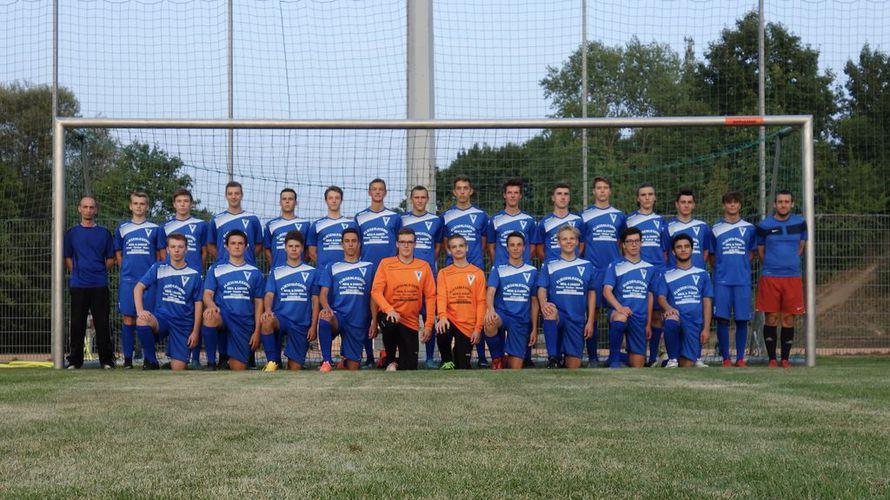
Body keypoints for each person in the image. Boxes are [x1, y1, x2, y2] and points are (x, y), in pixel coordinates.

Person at [133, 234, 203, 371]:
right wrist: (140, 311)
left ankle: (172, 363)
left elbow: (198, 303)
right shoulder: (159, 268)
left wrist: (195, 331)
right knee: (142, 320)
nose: (176, 250)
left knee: (179, 368)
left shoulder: (194, 273)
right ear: (167, 249)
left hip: (183, 323)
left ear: (186, 249)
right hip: (162, 319)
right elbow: (138, 287)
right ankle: (151, 361)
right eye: (173, 246)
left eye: (180, 247)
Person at [440, 176, 489, 367]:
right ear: (454, 192)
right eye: (458, 188)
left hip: (473, 269)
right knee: (452, 306)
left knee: (477, 309)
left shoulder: (481, 215)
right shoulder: (446, 216)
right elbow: (445, 243)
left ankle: (482, 357)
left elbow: (483, 243)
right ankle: (445, 359)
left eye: (465, 188)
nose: (462, 191)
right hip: (453, 271)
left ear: (471, 191)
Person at [371, 228, 436, 371]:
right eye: (402, 242)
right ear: (397, 244)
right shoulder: (386, 264)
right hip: (390, 315)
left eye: (410, 242)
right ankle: (390, 359)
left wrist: (429, 325)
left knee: (410, 366)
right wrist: (389, 310)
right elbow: (376, 291)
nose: (406, 246)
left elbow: (431, 296)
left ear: (415, 244)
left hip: (410, 321)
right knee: (390, 322)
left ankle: (388, 360)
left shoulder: (423, 266)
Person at [157, 188, 209, 368]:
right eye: (179, 201)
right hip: (173, 276)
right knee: (174, 313)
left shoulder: (201, 224)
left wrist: (198, 269)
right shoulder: (165, 226)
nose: (182, 204)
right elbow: (162, 253)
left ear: (191, 204)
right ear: (174, 204)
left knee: (195, 314)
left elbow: (204, 251)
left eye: (186, 201)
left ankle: (195, 359)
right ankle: (174, 356)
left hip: (194, 275)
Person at [756, 190, 807, 368]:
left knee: (788, 318)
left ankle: (785, 359)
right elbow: (761, 251)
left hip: (792, 277)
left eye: (786, 202)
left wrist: (788, 262)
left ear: (792, 204)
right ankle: (772, 359)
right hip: (770, 276)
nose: (783, 205)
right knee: (771, 318)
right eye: (780, 202)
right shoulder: (764, 225)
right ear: (774, 204)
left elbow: (801, 247)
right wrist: (773, 264)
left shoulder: (800, 223)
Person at [64, 196, 115, 369]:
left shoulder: (104, 233)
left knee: (102, 323)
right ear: (79, 209)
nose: (88, 210)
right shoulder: (72, 233)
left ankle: (106, 360)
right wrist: (78, 272)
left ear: (96, 210)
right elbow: (67, 257)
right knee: (77, 323)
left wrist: (98, 271)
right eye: (85, 207)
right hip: (79, 284)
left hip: (99, 284)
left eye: (91, 207)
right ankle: (74, 361)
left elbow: (110, 259)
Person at [201, 230, 264, 371]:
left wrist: (257, 331)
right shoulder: (216, 269)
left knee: (239, 368)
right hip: (223, 315)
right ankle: (211, 363)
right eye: (233, 243)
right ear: (226, 246)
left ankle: (227, 358)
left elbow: (259, 303)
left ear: (246, 247)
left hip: (243, 321)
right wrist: (211, 305)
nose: (237, 246)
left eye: (240, 243)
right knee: (210, 316)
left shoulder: (255, 272)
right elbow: (207, 294)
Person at [536, 225, 597, 369]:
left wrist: (590, 320)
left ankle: (563, 356)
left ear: (577, 241)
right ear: (559, 242)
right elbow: (542, 289)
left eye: (572, 238)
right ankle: (553, 358)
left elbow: (592, 293)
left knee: (573, 365)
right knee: (550, 311)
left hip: (576, 319)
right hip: (559, 315)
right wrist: (544, 304)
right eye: (564, 239)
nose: (568, 242)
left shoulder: (587, 265)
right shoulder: (549, 264)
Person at [580, 176, 625, 366]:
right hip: (594, 270)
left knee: (617, 310)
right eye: (599, 188)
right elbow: (581, 243)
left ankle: (615, 356)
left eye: (605, 187)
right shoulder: (584, 216)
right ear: (593, 191)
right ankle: (593, 357)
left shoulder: (619, 215)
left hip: (613, 270)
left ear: (610, 191)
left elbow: (621, 242)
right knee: (593, 312)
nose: (602, 191)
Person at [114, 192, 162, 369]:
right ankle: (128, 359)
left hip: (147, 282)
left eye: (142, 203)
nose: (139, 207)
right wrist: (124, 269)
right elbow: (118, 252)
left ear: (147, 206)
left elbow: (160, 255)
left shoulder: (155, 228)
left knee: (146, 317)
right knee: (128, 318)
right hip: (128, 280)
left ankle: (149, 358)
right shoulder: (122, 228)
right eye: (136, 203)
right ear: (130, 206)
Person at [356, 178, 401, 365]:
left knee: (389, 312)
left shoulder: (394, 217)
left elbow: (400, 242)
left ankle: (387, 354)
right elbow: (356, 243)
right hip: (367, 270)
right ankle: (369, 357)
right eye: (374, 189)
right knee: (367, 314)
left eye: (380, 189)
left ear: (385, 192)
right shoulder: (360, 217)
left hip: (389, 271)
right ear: (369, 192)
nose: (377, 192)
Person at [259, 230, 319, 371]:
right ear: (285, 248)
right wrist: (268, 310)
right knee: (267, 321)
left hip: (301, 323)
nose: (293, 249)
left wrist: (313, 326)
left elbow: (315, 301)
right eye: (290, 246)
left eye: (297, 246)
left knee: (295, 368)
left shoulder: (312, 271)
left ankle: (291, 361)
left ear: (302, 249)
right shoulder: (276, 271)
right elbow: (269, 295)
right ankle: (272, 362)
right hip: (281, 319)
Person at [317, 228, 375, 371]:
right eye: (347, 241)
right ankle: (327, 361)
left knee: (353, 367)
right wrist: (327, 308)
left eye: (354, 241)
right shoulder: (332, 267)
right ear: (342, 244)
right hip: (338, 316)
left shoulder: (369, 267)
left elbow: (374, 296)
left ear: (359, 244)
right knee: (325, 317)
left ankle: (345, 361)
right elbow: (323, 294)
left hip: (357, 322)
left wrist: (374, 320)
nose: (350, 244)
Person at [710, 191, 756, 367]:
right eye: (729, 202)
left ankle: (741, 358)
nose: (732, 205)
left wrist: (741, 267)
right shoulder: (715, 228)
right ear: (724, 205)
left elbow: (751, 253)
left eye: (735, 202)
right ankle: (726, 358)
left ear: (740, 205)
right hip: (722, 282)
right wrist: (722, 269)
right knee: (722, 319)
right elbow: (712, 256)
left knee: (742, 319)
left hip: (742, 281)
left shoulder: (749, 228)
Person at [625, 183, 669, 367]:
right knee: (636, 313)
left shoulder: (661, 221)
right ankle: (634, 352)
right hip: (636, 271)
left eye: (650, 194)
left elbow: (665, 250)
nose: (647, 198)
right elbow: (624, 245)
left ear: (655, 197)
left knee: (657, 315)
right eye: (643, 195)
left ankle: (653, 357)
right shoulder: (629, 220)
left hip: (657, 271)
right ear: (638, 198)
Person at [399, 185, 443, 368]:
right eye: (416, 197)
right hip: (406, 275)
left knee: (428, 315)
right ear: (411, 199)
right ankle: (402, 356)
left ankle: (430, 358)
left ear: (427, 199)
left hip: (427, 274)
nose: (419, 200)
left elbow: (438, 246)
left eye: (423, 197)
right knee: (405, 314)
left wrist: (428, 262)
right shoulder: (402, 219)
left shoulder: (436, 220)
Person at [602, 228, 657, 368]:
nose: (634, 244)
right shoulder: (615, 265)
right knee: (621, 317)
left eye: (637, 241)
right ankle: (614, 361)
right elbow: (606, 291)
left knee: (637, 364)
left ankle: (614, 356)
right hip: (620, 312)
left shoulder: (650, 268)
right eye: (630, 241)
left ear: (641, 243)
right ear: (623, 245)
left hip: (639, 317)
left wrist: (648, 323)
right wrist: (620, 308)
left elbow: (650, 296)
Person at [656, 234, 713, 368]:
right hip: (677, 320)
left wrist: (706, 328)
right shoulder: (666, 274)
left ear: (692, 249)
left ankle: (664, 361)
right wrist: (669, 309)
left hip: (694, 323)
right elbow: (661, 297)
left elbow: (707, 302)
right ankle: (672, 360)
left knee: (687, 364)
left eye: (686, 246)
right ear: (673, 251)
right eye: (679, 247)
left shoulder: (703, 274)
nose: (683, 249)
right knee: (671, 319)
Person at [484, 232, 539, 370]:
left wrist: (534, 328)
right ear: (507, 248)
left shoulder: (532, 271)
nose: (515, 248)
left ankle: (507, 358)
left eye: (519, 245)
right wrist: (490, 310)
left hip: (520, 320)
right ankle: (497, 358)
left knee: (515, 368)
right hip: (503, 315)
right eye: (512, 245)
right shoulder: (498, 268)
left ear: (524, 248)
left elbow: (534, 301)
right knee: (490, 322)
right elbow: (490, 292)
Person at [436, 235, 487, 370]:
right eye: (454, 247)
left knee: (462, 367)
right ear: (449, 250)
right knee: (442, 329)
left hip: (467, 325)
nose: (458, 249)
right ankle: (447, 361)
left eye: (461, 246)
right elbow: (441, 297)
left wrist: (478, 328)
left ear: (466, 248)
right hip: (450, 319)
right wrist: (442, 317)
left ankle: (458, 355)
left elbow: (481, 302)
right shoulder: (444, 273)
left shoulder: (478, 273)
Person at [208, 181, 263, 265]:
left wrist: (249, 257)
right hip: (224, 267)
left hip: (247, 266)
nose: (233, 197)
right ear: (226, 196)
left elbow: (259, 244)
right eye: (230, 194)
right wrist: (222, 258)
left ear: (242, 195)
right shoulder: (217, 219)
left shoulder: (252, 219)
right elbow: (210, 245)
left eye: (237, 193)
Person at [487, 178, 538, 266]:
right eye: (509, 192)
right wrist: (498, 264)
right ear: (504, 195)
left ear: (520, 196)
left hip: (522, 268)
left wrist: (521, 264)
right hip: (502, 268)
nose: (513, 196)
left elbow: (533, 247)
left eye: (516, 193)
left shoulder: (529, 220)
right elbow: (491, 247)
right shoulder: (495, 220)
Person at [307, 185, 359, 269]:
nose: (334, 201)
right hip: (323, 272)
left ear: (341, 200)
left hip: (345, 270)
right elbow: (312, 252)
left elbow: (357, 248)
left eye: (337, 198)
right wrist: (323, 267)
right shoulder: (316, 225)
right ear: (326, 200)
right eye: (330, 198)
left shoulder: (351, 224)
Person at [264, 188, 311, 269]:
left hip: (299, 270)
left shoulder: (305, 224)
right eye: (284, 199)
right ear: (280, 202)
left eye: (290, 199)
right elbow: (266, 249)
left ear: (296, 202)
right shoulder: (271, 225)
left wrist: (301, 264)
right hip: (278, 270)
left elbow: (309, 249)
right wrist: (274, 266)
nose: (287, 201)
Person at [536, 183, 582, 263]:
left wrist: (573, 260)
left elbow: (582, 244)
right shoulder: (544, 222)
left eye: (566, 194)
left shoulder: (578, 220)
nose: (563, 197)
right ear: (553, 198)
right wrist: (549, 263)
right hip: (552, 266)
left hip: (572, 266)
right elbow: (539, 248)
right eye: (559, 194)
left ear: (569, 198)